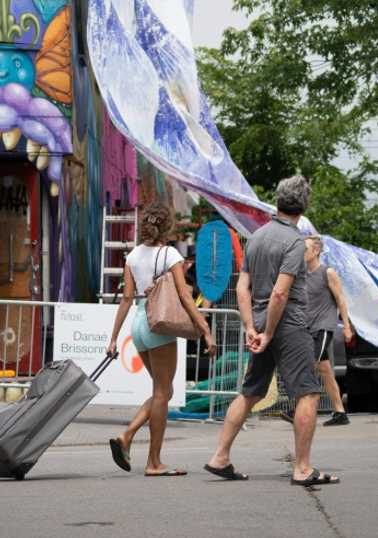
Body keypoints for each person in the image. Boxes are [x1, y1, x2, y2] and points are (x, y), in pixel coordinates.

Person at [205, 175, 340, 486]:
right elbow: (281, 293)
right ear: (303, 206)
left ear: (277, 201)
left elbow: (242, 288)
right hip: (289, 326)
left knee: (250, 392)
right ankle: (302, 468)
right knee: (307, 393)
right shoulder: (294, 242)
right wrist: (267, 333)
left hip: (262, 322)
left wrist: (252, 327)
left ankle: (220, 456)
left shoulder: (255, 238)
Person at [106, 202, 216, 476]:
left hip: (139, 325)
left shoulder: (132, 256)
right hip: (160, 325)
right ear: (166, 227)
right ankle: (151, 460)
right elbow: (184, 296)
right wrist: (204, 328)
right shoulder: (170, 255)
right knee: (162, 393)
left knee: (161, 392)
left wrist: (113, 339)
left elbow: (127, 299)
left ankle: (128, 438)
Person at [282, 234, 354, 426]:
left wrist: (346, 326)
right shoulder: (301, 274)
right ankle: (340, 412)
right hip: (307, 326)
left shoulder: (327, 272)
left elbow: (341, 299)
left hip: (323, 326)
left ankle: (296, 408)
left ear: (316, 251)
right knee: (324, 369)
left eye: (304, 250)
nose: (301, 253)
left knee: (308, 364)